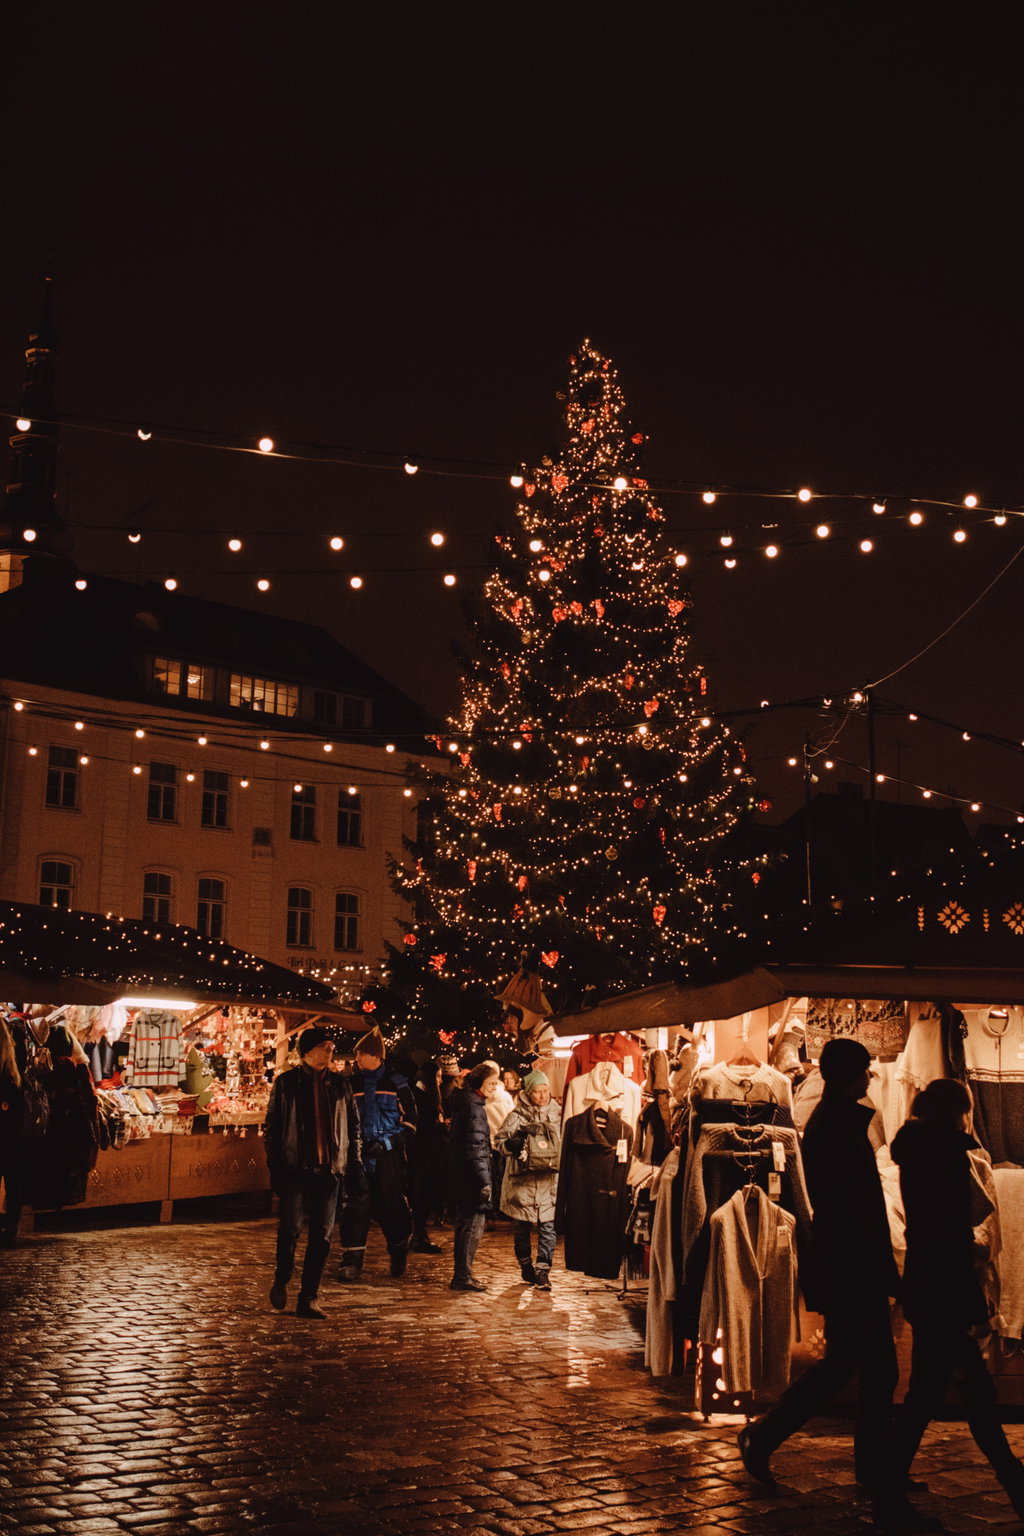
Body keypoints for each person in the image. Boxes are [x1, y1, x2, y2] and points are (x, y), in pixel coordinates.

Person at [736, 1037, 938, 1536]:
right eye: (866, 1070)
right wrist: (884, 1271)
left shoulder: (837, 1121)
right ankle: (771, 1440)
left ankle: (866, 1468)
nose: (872, 1077)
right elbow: (857, 1212)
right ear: (849, 1074)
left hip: (850, 1263)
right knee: (868, 1369)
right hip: (853, 1266)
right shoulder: (838, 1128)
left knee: (855, 1367)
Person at [890, 1078, 1024, 1521]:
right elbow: (974, 1209)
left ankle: (1013, 1481)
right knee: (945, 1391)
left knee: (948, 1390)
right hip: (947, 1284)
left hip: (930, 1281)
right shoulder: (946, 1151)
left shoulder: (914, 1148)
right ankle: (888, 1488)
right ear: (959, 1111)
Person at [263, 1026, 363, 1319]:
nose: (331, 1051)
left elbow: (354, 1127)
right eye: (325, 1046)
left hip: (329, 1170)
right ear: (307, 1051)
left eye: (332, 1046)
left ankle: (309, 1296)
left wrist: (352, 1163)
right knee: (291, 1230)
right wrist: (276, 1166)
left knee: (322, 1236)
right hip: (296, 1168)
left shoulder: (340, 1084)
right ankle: (282, 1277)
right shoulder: (287, 1083)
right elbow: (273, 1128)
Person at [337, 1026, 417, 1281]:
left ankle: (398, 1249)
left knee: (391, 1206)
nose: (357, 1059)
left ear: (375, 1056)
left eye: (361, 1054)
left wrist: (387, 1143)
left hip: (387, 1158)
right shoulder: (353, 1084)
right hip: (359, 1156)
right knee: (355, 1207)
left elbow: (412, 1122)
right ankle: (352, 1261)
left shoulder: (396, 1083)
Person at [493, 1069, 561, 1289]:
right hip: (522, 1183)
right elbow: (499, 1142)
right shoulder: (516, 1116)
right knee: (522, 1226)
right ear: (528, 1093)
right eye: (537, 1092)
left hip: (549, 1182)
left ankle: (543, 1271)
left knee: (548, 1227)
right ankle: (525, 1265)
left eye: (545, 1091)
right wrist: (510, 1145)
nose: (542, 1096)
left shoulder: (558, 1115)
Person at [28, 1023, 99, 1211]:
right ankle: (58, 1201)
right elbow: (89, 1099)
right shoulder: (76, 1068)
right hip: (70, 1129)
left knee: (48, 1165)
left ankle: (43, 1201)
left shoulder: (41, 1067)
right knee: (64, 1167)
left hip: (47, 1129)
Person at [447, 1061, 499, 1291]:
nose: (494, 1088)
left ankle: (463, 1273)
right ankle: (463, 1275)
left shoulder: (468, 1102)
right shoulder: (473, 1108)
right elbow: (476, 1147)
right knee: (472, 1226)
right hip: (470, 1178)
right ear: (479, 1082)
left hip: (461, 1174)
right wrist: (484, 1181)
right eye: (491, 1083)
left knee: (465, 1225)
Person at [408, 1056, 445, 1253]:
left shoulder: (423, 1096)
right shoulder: (421, 1097)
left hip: (426, 1153)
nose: (440, 1081)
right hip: (423, 1154)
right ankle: (417, 1235)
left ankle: (418, 1233)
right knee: (422, 1193)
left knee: (424, 1193)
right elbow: (424, 1127)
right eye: (438, 1077)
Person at [0, 1018, 24, 1247]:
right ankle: (10, 1224)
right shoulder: (12, 1072)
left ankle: (9, 1225)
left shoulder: (7, 1076)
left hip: (6, 1136)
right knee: (12, 1180)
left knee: (11, 1180)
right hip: (12, 1138)